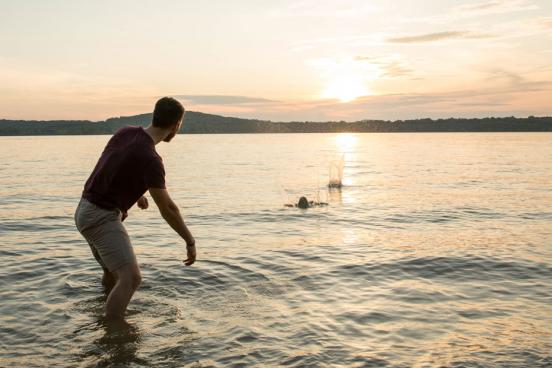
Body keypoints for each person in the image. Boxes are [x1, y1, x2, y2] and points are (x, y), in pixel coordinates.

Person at [74, 97, 196, 321]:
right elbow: (168, 207)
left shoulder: (125, 132)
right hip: (101, 217)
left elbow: (112, 164)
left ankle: (105, 309)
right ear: (176, 125)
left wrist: (138, 193)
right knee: (131, 278)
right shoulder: (151, 159)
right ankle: (114, 336)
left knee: (113, 272)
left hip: (84, 210)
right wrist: (189, 241)